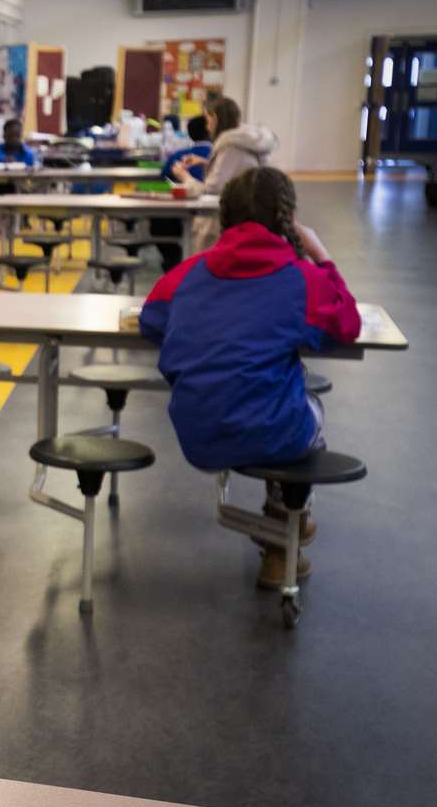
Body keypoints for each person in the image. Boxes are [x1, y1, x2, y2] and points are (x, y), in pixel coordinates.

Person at [139, 167, 360, 588]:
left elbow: (151, 319)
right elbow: (346, 323)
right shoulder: (303, 280)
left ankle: (283, 546)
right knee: (301, 401)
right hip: (274, 432)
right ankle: (285, 536)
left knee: (273, 395)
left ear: (225, 217)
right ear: (288, 220)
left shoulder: (188, 274)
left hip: (199, 432)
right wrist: (323, 256)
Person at [171, 96, 278, 253]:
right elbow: (240, 169)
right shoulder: (244, 140)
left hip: (227, 220)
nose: (207, 127)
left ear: (215, 118)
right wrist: (205, 162)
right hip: (248, 213)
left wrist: (184, 177)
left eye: (208, 121)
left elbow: (210, 190)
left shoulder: (230, 147)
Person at [149, 114, 213, 269]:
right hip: (209, 218)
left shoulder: (179, 156)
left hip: (178, 215)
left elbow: (163, 181)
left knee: (158, 223)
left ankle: (173, 263)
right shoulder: (217, 157)